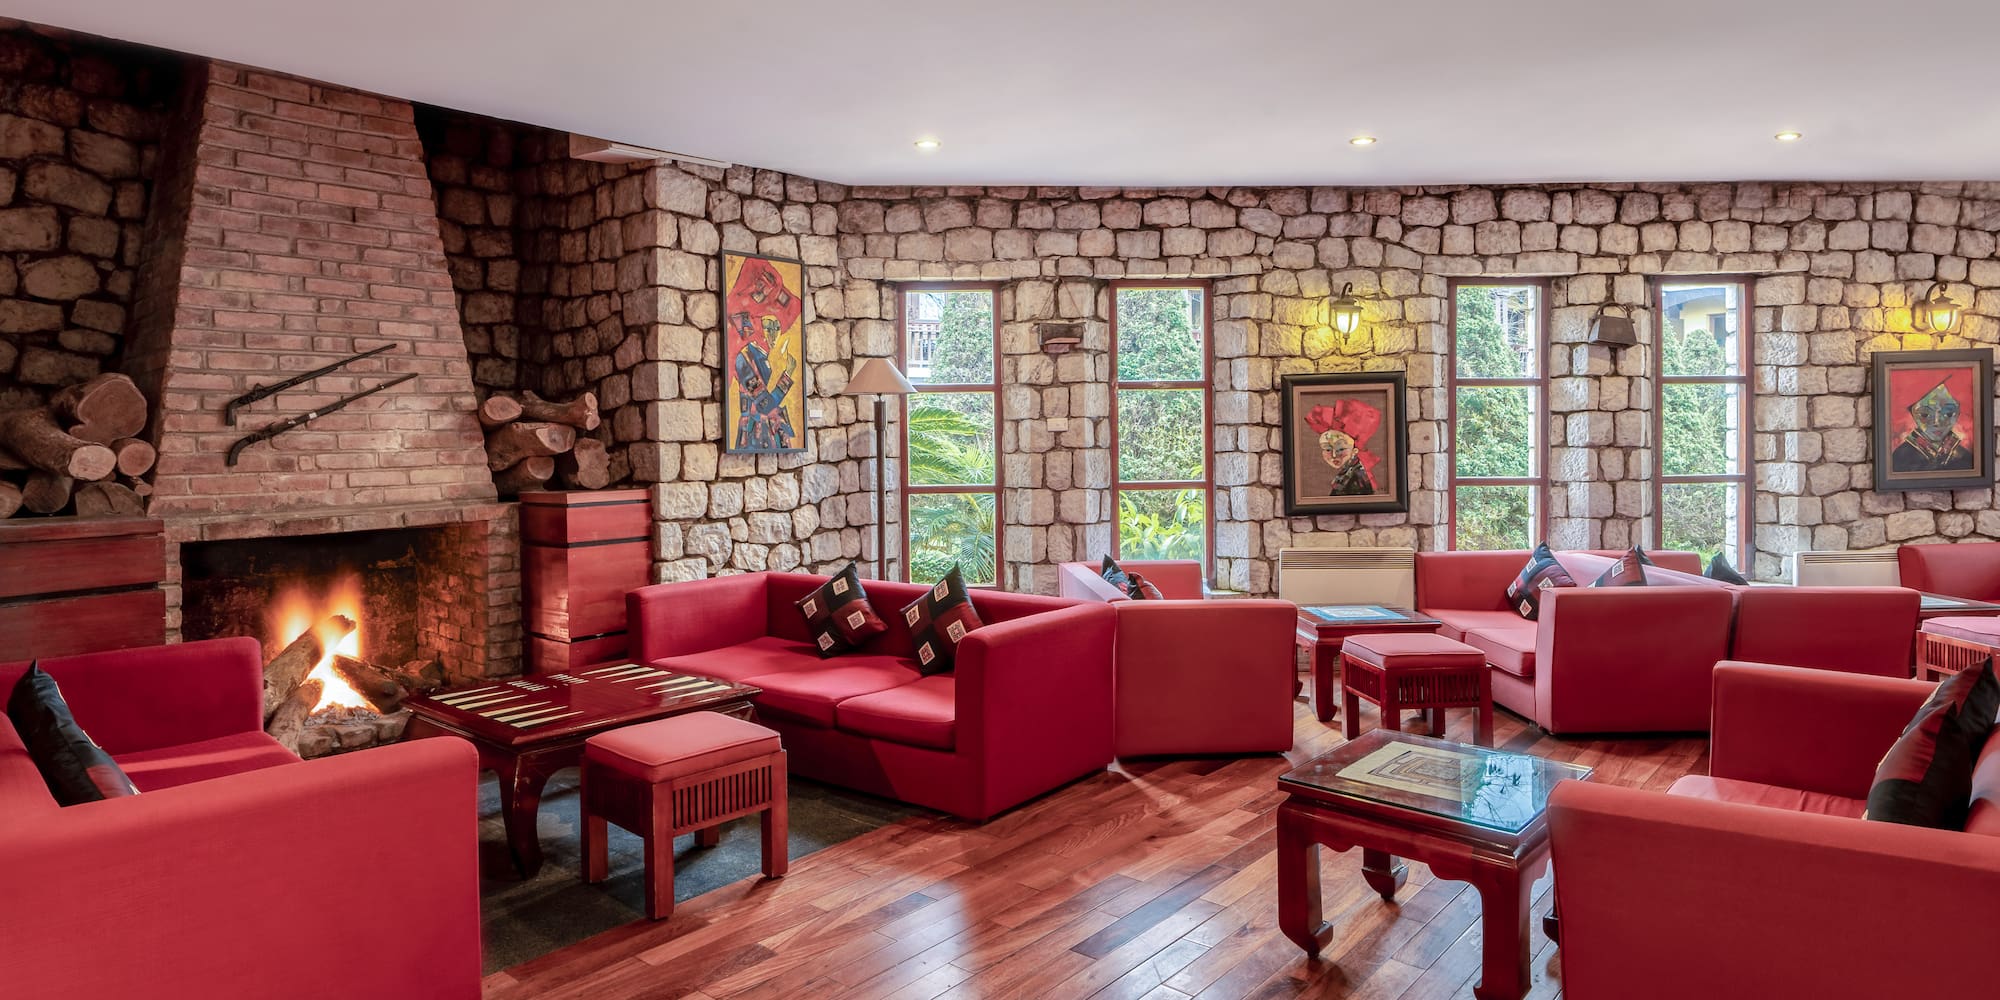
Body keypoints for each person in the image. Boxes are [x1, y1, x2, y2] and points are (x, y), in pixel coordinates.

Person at [1891, 380, 1974, 473]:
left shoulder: (1965, 457)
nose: (1937, 422)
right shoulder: (1901, 458)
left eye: (1948, 414)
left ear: (1957, 413)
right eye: (1925, 414)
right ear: (1913, 415)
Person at [1304, 399, 1381, 496]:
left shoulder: (1357, 482)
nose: (1334, 455)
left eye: (1341, 449)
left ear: (1354, 451)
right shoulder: (1348, 473)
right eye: (1327, 449)